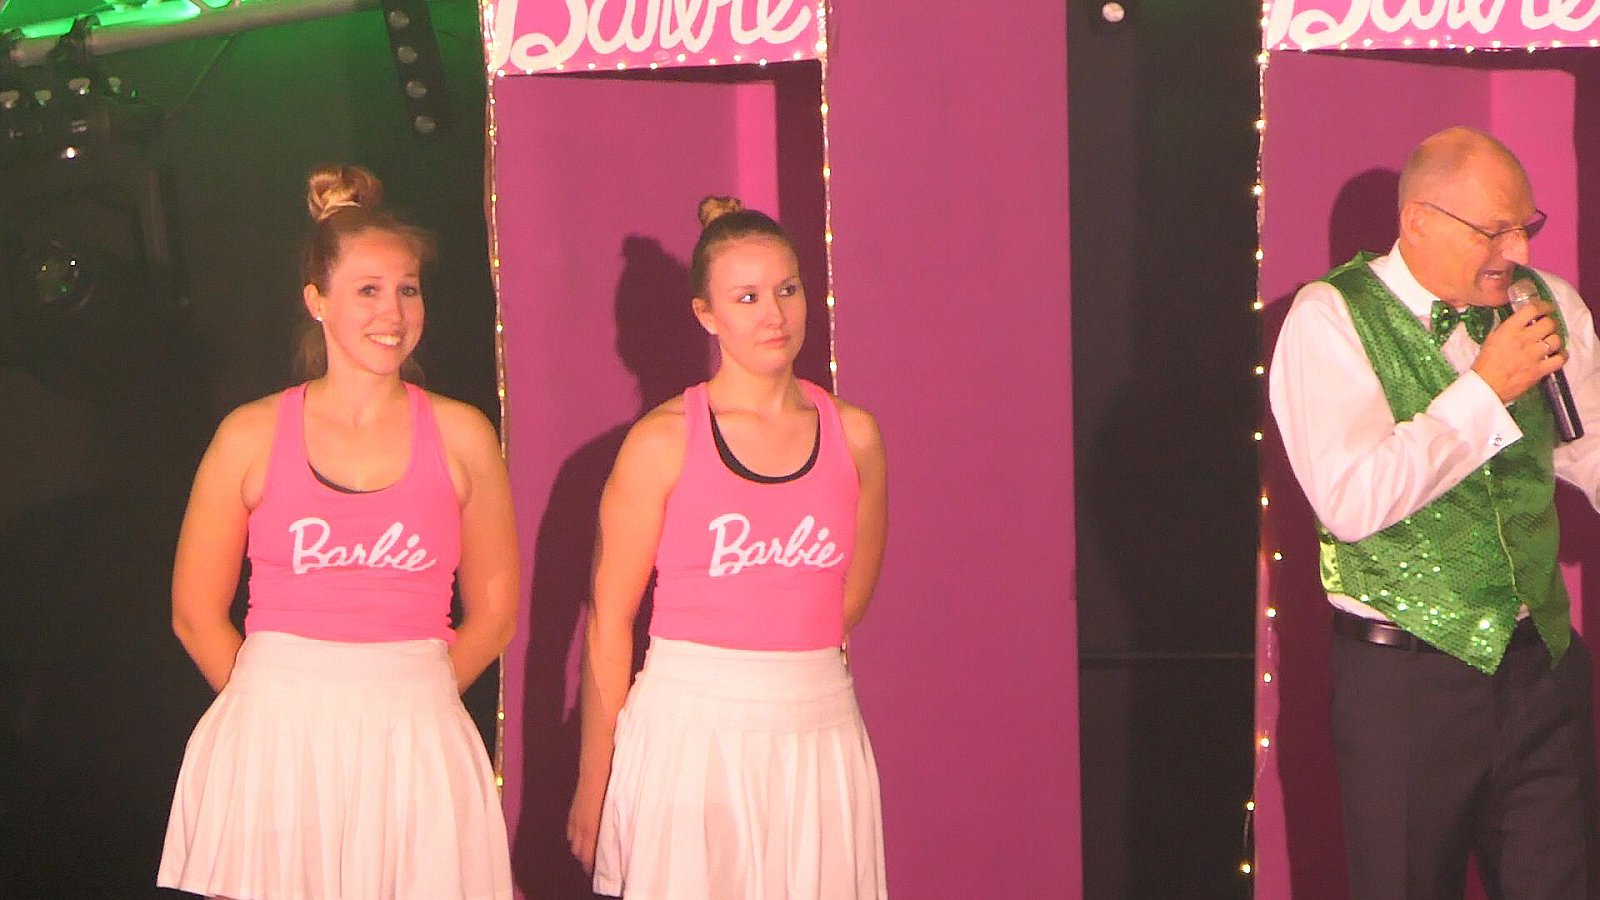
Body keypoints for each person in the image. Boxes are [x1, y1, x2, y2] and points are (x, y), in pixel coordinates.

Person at [157, 165, 518, 899]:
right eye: (368, 290)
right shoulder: (250, 434)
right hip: (275, 744)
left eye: (408, 289)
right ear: (316, 301)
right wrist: (275, 708)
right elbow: (195, 612)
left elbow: (496, 611)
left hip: (416, 739)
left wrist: (407, 701)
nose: (393, 311)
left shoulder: (463, 435)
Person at [1270, 126, 1600, 898]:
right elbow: (1353, 500)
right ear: (1418, 220)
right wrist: (1485, 390)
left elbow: (1589, 447)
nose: (1517, 249)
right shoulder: (1330, 318)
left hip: (1542, 668)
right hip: (1406, 684)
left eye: (1526, 225)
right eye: (1495, 230)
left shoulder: (1547, 304)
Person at [564, 197, 889, 898]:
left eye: (787, 290)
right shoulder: (661, 441)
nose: (774, 314)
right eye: (747, 297)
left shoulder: (855, 436)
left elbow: (849, 601)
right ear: (706, 314)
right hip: (691, 733)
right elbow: (609, 620)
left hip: (818, 728)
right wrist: (596, 777)